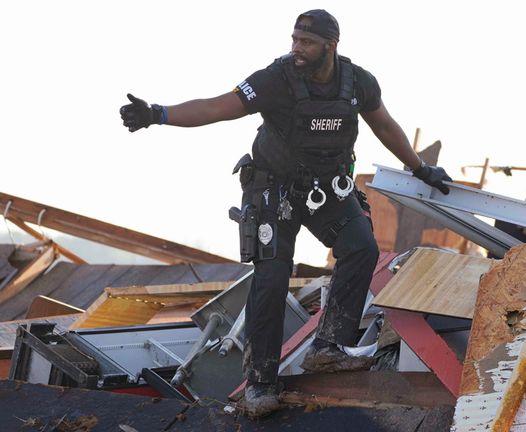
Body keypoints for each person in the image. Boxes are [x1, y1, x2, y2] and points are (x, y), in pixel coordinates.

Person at [120, 9, 452, 417]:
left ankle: (328, 347)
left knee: (362, 248)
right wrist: (159, 114)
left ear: (331, 45)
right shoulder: (275, 80)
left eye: (306, 42)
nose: (296, 48)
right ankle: (261, 383)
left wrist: (419, 168)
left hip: (329, 186)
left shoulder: (358, 83)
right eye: (294, 39)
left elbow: (384, 125)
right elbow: (217, 107)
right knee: (273, 276)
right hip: (272, 189)